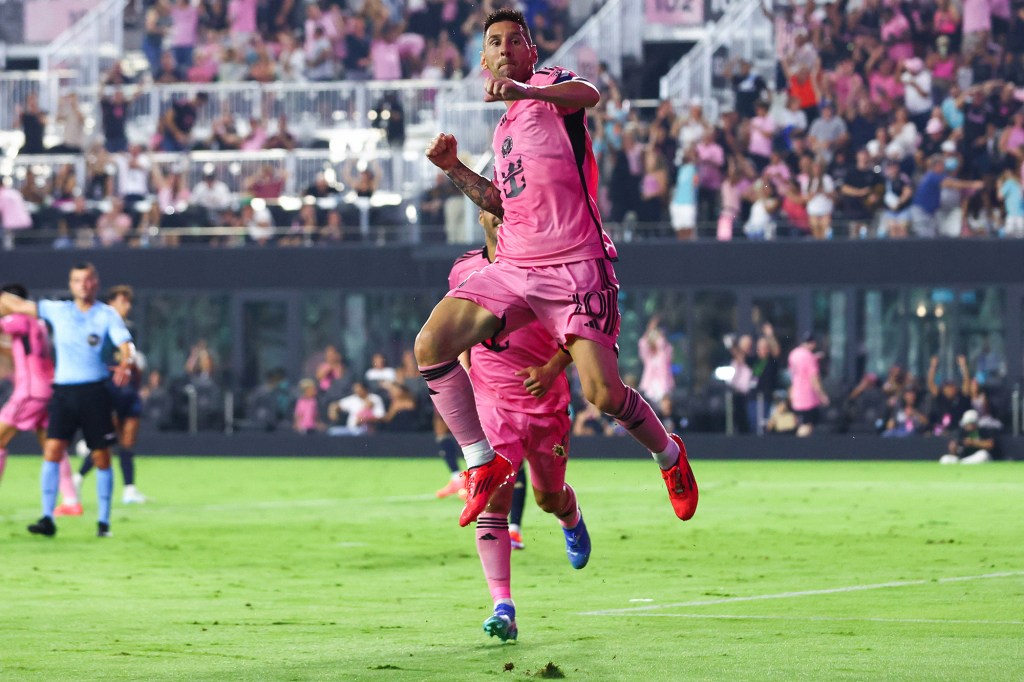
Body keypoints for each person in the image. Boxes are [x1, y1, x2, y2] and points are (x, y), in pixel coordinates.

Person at [417, 10, 697, 552]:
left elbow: (589, 95)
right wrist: (454, 168)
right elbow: (501, 202)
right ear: (482, 60)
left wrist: (525, 89)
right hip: (517, 266)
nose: (503, 48)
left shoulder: (550, 87)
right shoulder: (501, 135)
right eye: (493, 42)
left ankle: (669, 456)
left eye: (514, 40)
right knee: (431, 345)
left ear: (530, 52)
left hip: (576, 264)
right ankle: (481, 462)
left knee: (603, 394)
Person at [450, 208, 588, 643]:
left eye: (508, 209)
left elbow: (583, 333)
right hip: (492, 403)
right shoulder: (465, 270)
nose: (501, 216)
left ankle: (570, 516)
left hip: (546, 404)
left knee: (548, 498)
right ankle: (503, 607)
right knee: (494, 499)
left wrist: (551, 369)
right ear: (482, 217)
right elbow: (455, 330)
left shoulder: (546, 267)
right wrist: (468, 375)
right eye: (494, 209)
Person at [0, 263, 136, 538]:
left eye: (87, 281)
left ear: (95, 283)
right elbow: (15, 305)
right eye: (77, 280)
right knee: (51, 450)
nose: (82, 285)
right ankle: (49, 516)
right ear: (71, 284)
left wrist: (127, 362)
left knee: (101, 456)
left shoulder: (106, 314)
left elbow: (125, 345)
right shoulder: (55, 310)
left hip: (90, 392)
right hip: (61, 392)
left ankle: (103, 522)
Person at [0, 284, 78, 511]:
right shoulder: (38, 323)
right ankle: (71, 501)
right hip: (47, 388)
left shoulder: (20, 319)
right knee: (51, 446)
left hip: (30, 392)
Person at [74, 285, 148, 505]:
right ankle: (78, 478)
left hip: (129, 391)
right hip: (109, 390)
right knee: (107, 442)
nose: (128, 306)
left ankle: (129, 490)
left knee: (128, 440)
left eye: (129, 302)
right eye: (123, 301)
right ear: (111, 303)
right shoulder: (99, 327)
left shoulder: (131, 329)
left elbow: (132, 360)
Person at [787, 333, 829, 436]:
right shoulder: (808, 356)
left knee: (801, 424)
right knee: (807, 425)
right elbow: (814, 379)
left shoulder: (793, 354)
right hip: (808, 398)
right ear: (812, 343)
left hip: (796, 397)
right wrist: (822, 396)